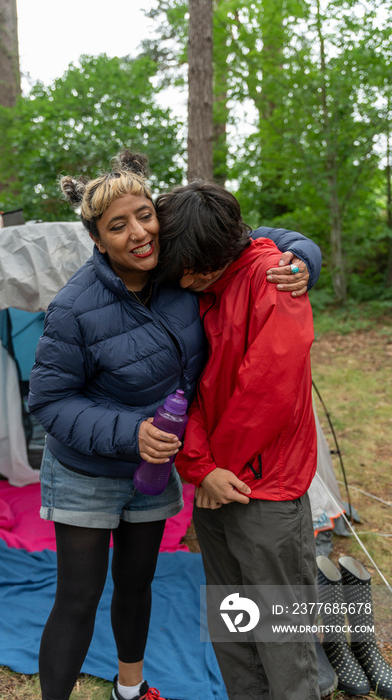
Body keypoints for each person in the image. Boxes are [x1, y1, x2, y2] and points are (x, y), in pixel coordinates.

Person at [28, 152, 321, 700]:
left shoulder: (183, 269)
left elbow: (252, 238)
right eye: (118, 225)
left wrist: (303, 256)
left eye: (145, 215)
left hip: (173, 468)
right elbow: (48, 400)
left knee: (145, 586)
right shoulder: (76, 306)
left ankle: (131, 689)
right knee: (81, 596)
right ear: (96, 239)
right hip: (95, 468)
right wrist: (144, 439)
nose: (139, 233)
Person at [155, 180, 320, 700]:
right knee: (232, 621)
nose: (179, 281)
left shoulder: (272, 279)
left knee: (283, 634)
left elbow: (269, 390)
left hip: (264, 486)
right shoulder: (203, 292)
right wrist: (201, 468)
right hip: (215, 481)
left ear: (208, 260)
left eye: (185, 271)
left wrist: (212, 468)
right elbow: (191, 387)